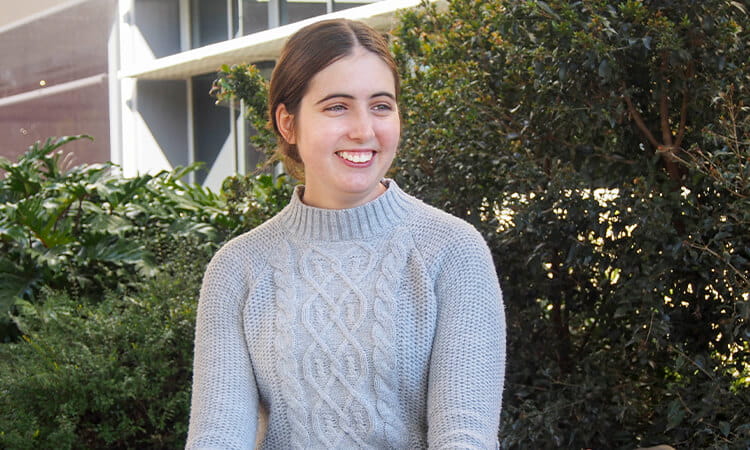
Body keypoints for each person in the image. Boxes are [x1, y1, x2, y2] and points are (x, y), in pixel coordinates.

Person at [186, 18, 506, 449]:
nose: (364, 129)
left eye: (381, 105)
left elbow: (465, 437)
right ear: (288, 123)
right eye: (337, 106)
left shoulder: (452, 251)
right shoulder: (237, 268)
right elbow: (217, 437)